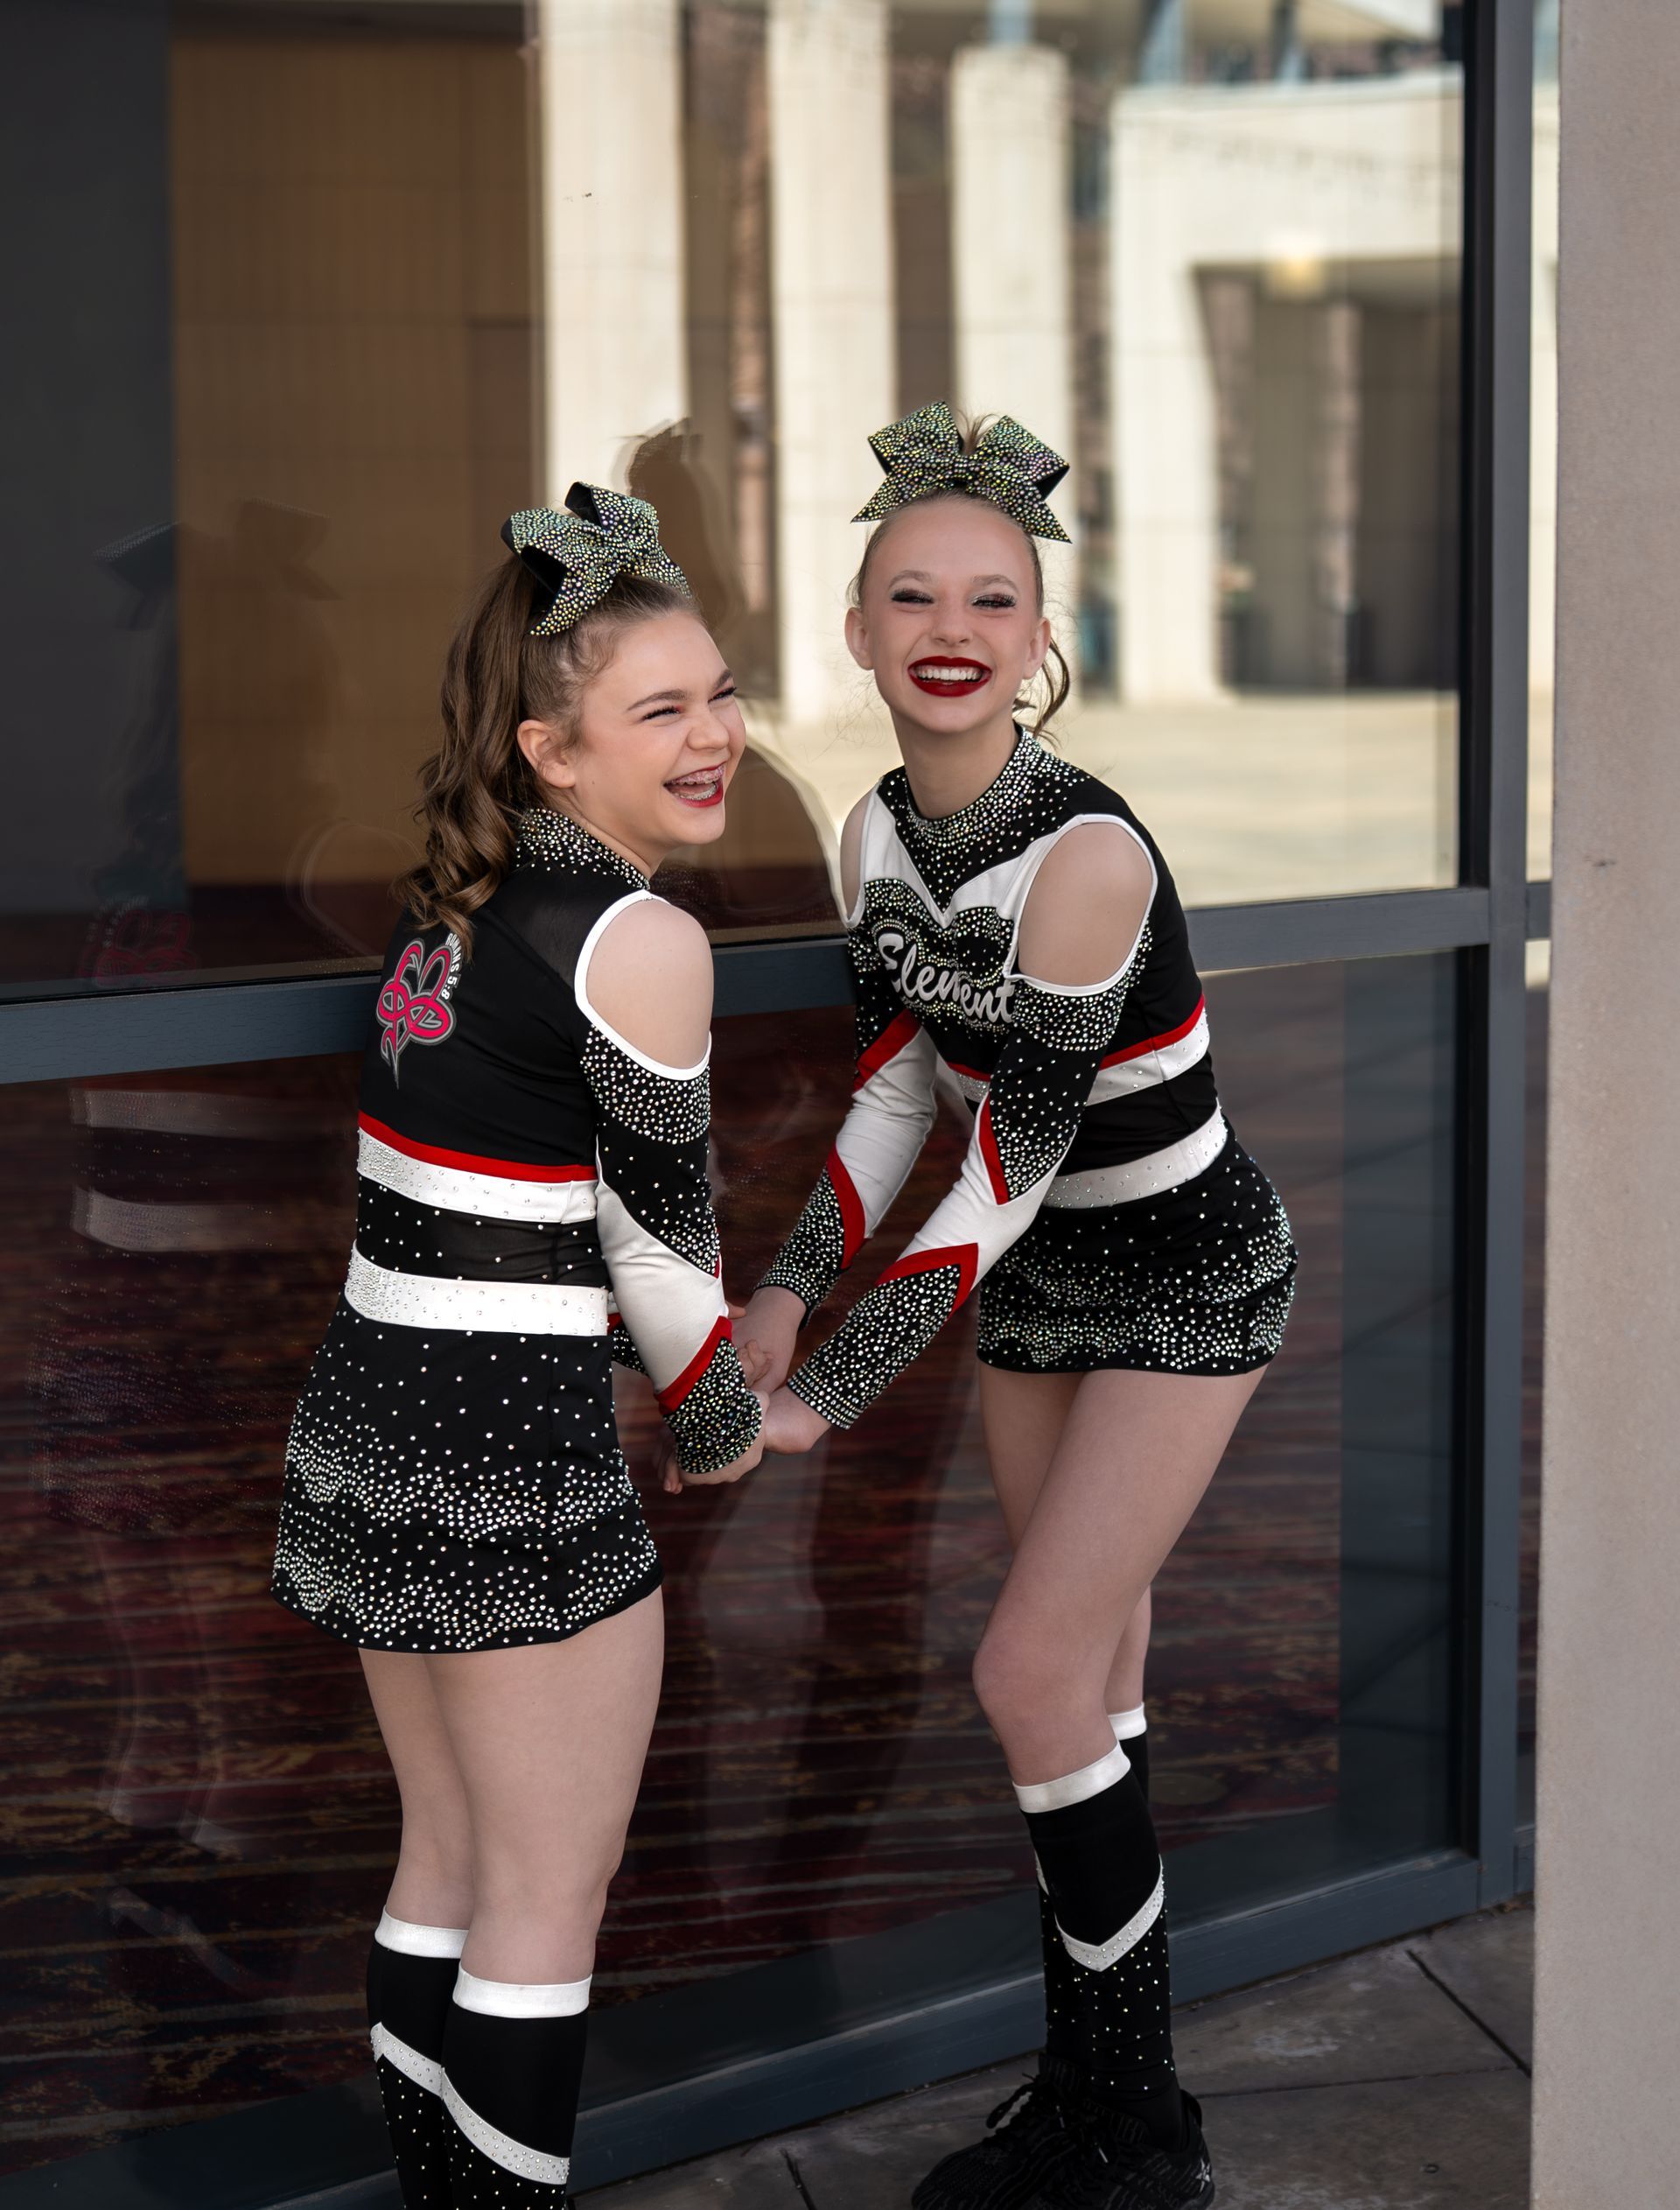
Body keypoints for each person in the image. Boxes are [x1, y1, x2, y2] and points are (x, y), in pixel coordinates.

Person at [739, 407, 1298, 2210]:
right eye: (911, 594)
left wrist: (836, 1384)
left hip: (1183, 1270)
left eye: (993, 596)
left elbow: (1013, 1161)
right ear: (857, 631)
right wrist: (778, 1292)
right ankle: (1102, 2110)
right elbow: (901, 1095)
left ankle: (1136, 2134)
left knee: (1024, 1668)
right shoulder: (872, 836)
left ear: (1043, 644)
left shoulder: (1088, 860)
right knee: (1095, 1696)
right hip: (1041, 1287)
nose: (950, 624)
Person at [271, 483, 765, 2207]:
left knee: (449, 1860)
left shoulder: (446, 912)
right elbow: (662, 1248)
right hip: (504, 1448)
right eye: (664, 712)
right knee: (547, 1893)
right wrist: (724, 1424)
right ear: (556, 751)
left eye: (721, 693)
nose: (716, 737)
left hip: (363, 1421)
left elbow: (460, 1199)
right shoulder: (644, 940)